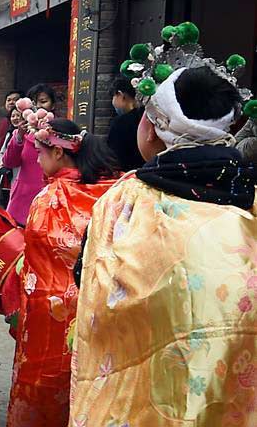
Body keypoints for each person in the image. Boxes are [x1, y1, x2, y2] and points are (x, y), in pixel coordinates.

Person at [71, 23, 257, 425]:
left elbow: (86, 279)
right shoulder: (250, 196)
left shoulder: (124, 201)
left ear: (152, 128)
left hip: (144, 396)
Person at [6, 114, 119, 427]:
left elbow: (39, 256)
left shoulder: (52, 196)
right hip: (97, 308)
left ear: (58, 152)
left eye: (40, 153)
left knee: (45, 383)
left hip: (50, 311)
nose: (38, 160)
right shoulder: (111, 190)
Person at [1, 96, 47, 225]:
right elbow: (9, 162)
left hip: (46, 195)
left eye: (44, 102)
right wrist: (20, 137)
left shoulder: (57, 135)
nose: (38, 109)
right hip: (23, 196)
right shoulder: (20, 134)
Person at [106, 75, 145, 171]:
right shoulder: (148, 115)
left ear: (120, 95)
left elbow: (114, 156)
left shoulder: (120, 123)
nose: (113, 102)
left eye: (113, 97)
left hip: (129, 176)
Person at [0, 89, 23, 165]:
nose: (11, 102)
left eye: (15, 100)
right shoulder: (3, 121)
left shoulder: (26, 128)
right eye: (8, 100)